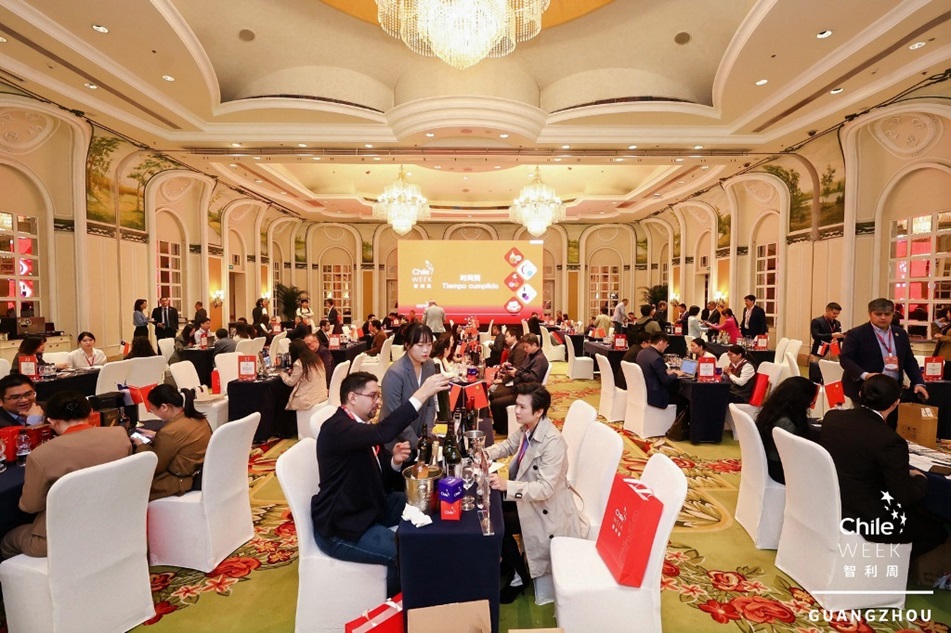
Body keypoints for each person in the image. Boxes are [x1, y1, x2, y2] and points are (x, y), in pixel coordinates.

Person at [311, 370, 450, 598]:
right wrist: (422, 393)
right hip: (343, 525)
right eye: (373, 396)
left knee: (427, 500)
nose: (378, 402)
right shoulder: (337, 428)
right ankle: (395, 604)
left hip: (371, 505)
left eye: (379, 396)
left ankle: (443, 555)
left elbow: (379, 472)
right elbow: (383, 432)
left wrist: (394, 461)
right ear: (352, 397)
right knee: (403, 550)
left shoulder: (357, 426)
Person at [820, 375, 948, 557]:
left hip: (833, 504)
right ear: (896, 403)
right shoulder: (889, 441)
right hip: (870, 519)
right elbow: (905, 497)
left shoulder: (832, 418)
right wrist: (921, 479)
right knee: (937, 531)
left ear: (860, 394)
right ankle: (887, 563)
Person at [487, 383, 587, 603]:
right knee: (491, 508)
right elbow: (507, 446)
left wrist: (507, 486)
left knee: (497, 524)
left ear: (539, 411)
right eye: (517, 405)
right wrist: (484, 454)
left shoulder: (553, 442)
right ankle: (510, 561)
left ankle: (519, 576)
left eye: (522, 407)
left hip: (547, 508)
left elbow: (545, 489)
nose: (516, 411)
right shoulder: (529, 427)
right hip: (529, 494)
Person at [0, 390, 131, 558]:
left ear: (51, 421)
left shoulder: (42, 455)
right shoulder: (119, 435)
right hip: (114, 522)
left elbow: (30, 506)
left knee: (7, 540)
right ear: (91, 413)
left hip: (60, 537)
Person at [839, 298, 927, 412]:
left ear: (893, 314)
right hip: (866, 389)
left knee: (892, 421)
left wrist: (918, 382)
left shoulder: (900, 333)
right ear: (870, 314)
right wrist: (865, 375)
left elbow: (909, 360)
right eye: (878, 314)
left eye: (887, 314)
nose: (883, 317)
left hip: (893, 389)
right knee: (868, 421)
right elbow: (845, 359)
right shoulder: (856, 334)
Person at [132, 385, 212, 501]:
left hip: (179, 481)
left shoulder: (170, 432)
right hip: (199, 475)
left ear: (164, 407)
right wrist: (158, 436)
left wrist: (141, 445)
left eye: (152, 409)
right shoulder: (198, 418)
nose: (153, 413)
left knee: (131, 485)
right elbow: (182, 438)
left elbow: (155, 466)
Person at [380, 323, 439, 451]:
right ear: (407, 345)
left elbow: (430, 403)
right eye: (420, 345)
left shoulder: (429, 365)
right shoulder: (395, 373)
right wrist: (415, 443)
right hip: (396, 443)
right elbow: (394, 415)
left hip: (421, 436)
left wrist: (426, 434)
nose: (425, 350)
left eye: (429, 344)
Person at [754, 376, 817, 484]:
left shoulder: (771, 411)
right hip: (780, 471)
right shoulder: (785, 424)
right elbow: (796, 454)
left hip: (768, 464)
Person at [490, 333, 550, 433]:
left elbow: (533, 379)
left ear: (534, 345)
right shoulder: (531, 356)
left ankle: (503, 429)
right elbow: (522, 369)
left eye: (527, 347)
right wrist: (512, 368)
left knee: (495, 403)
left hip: (527, 393)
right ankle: (500, 424)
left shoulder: (539, 359)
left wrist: (517, 373)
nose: (525, 350)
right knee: (493, 395)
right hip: (519, 387)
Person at [635, 332, 687, 412]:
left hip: (644, 391)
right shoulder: (657, 358)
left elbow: (651, 371)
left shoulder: (642, 353)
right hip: (656, 396)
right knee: (684, 398)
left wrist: (666, 372)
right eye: (666, 344)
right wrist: (676, 374)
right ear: (661, 342)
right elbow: (666, 380)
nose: (666, 347)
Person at [282, 339, 328, 410]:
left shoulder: (299, 363)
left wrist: (283, 375)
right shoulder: (317, 359)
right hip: (322, 396)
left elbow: (291, 382)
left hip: (307, 401)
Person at [809, 301, 844, 382]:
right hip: (820, 350)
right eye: (834, 313)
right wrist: (832, 335)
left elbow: (838, 337)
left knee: (835, 371)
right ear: (827, 310)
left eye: (838, 314)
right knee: (816, 373)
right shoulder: (817, 321)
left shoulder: (837, 323)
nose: (836, 315)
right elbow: (815, 335)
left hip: (834, 350)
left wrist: (843, 336)